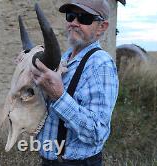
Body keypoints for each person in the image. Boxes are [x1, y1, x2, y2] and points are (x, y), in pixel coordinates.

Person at [31, 0, 119, 165]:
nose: (73, 23)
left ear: (102, 27)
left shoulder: (101, 64)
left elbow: (96, 132)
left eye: (84, 18)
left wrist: (59, 95)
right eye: (70, 16)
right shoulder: (65, 58)